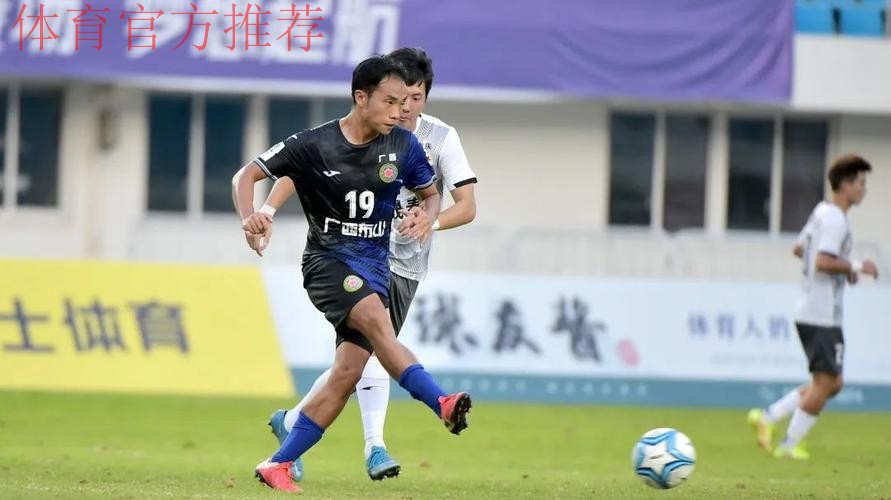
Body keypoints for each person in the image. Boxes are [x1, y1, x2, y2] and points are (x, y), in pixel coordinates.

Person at [231, 55, 473, 494]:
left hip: (376, 269)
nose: (400, 111)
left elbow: (431, 193)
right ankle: (440, 401)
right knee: (380, 327)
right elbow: (246, 175)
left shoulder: (405, 145)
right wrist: (254, 215)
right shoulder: (314, 143)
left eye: (407, 101)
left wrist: (426, 216)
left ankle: (278, 463)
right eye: (390, 101)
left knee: (347, 374)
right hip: (329, 265)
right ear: (361, 98)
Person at [747, 155, 878, 460]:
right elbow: (822, 260)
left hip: (811, 308)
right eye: (860, 183)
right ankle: (788, 445)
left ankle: (769, 416)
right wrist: (857, 265)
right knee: (827, 382)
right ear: (845, 185)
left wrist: (843, 269)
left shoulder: (821, 212)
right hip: (822, 314)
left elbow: (800, 249)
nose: (864, 189)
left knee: (832, 382)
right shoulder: (836, 220)